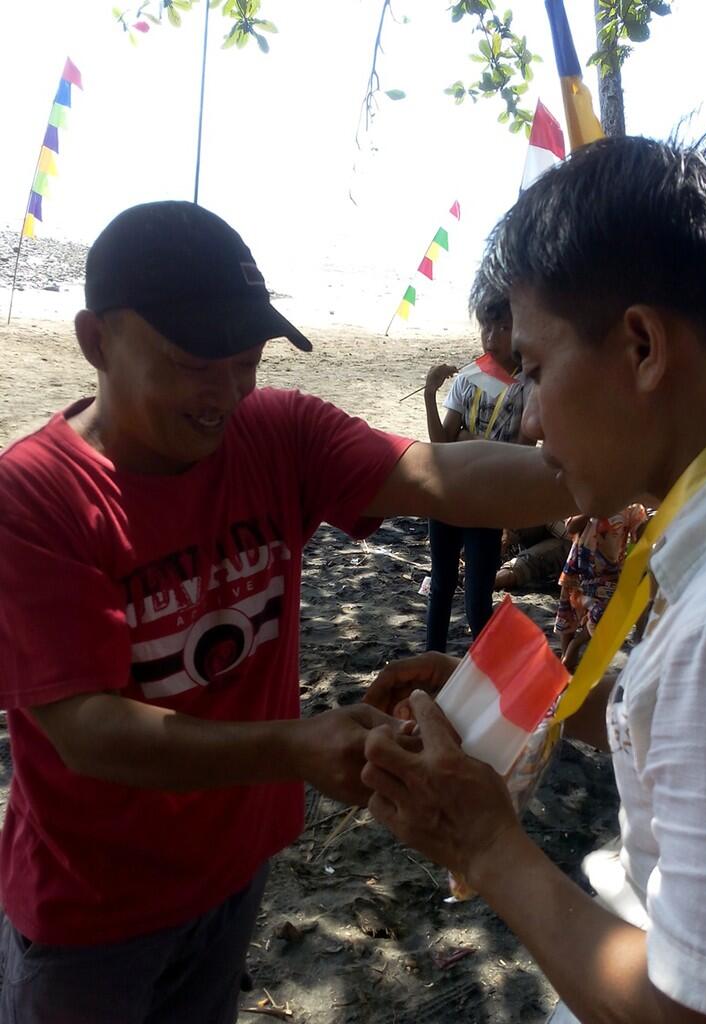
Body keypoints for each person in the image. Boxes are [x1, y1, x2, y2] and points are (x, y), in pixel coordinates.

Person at [362, 138, 706, 1024]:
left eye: (533, 369)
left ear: (642, 346)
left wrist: (486, 845)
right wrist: (532, 706)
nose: (528, 419)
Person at [0, 201, 573, 1023]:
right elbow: (88, 731)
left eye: (248, 359)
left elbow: (440, 475)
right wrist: (294, 747)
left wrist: (614, 467)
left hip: (235, 868)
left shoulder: (274, 434)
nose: (227, 391)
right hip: (91, 908)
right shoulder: (36, 499)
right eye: (196, 358)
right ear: (96, 341)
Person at [423, 279, 531, 652]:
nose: (492, 336)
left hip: (487, 506)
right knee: (440, 586)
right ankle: (431, 664)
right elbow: (441, 445)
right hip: (447, 497)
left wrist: (472, 444)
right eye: (487, 325)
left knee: (477, 601)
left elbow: (522, 453)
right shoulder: (468, 378)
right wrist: (429, 395)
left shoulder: (526, 386)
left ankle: (482, 676)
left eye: (504, 327)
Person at [554, 505, 649, 668]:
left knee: (603, 614)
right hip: (577, 568)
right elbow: (571, 527)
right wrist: (593, 510)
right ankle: (566, 658)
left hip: (609, 571)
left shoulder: (630, 505)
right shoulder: (589, 498)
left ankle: (574, 646)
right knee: (567, 612)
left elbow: (641, 533)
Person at [493, 519, 572, 591]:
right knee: (516, 524)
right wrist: (506, 533)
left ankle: (493, 580)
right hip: (550, 526)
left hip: (573, 545)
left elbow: (574, 536)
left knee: (530, 560)